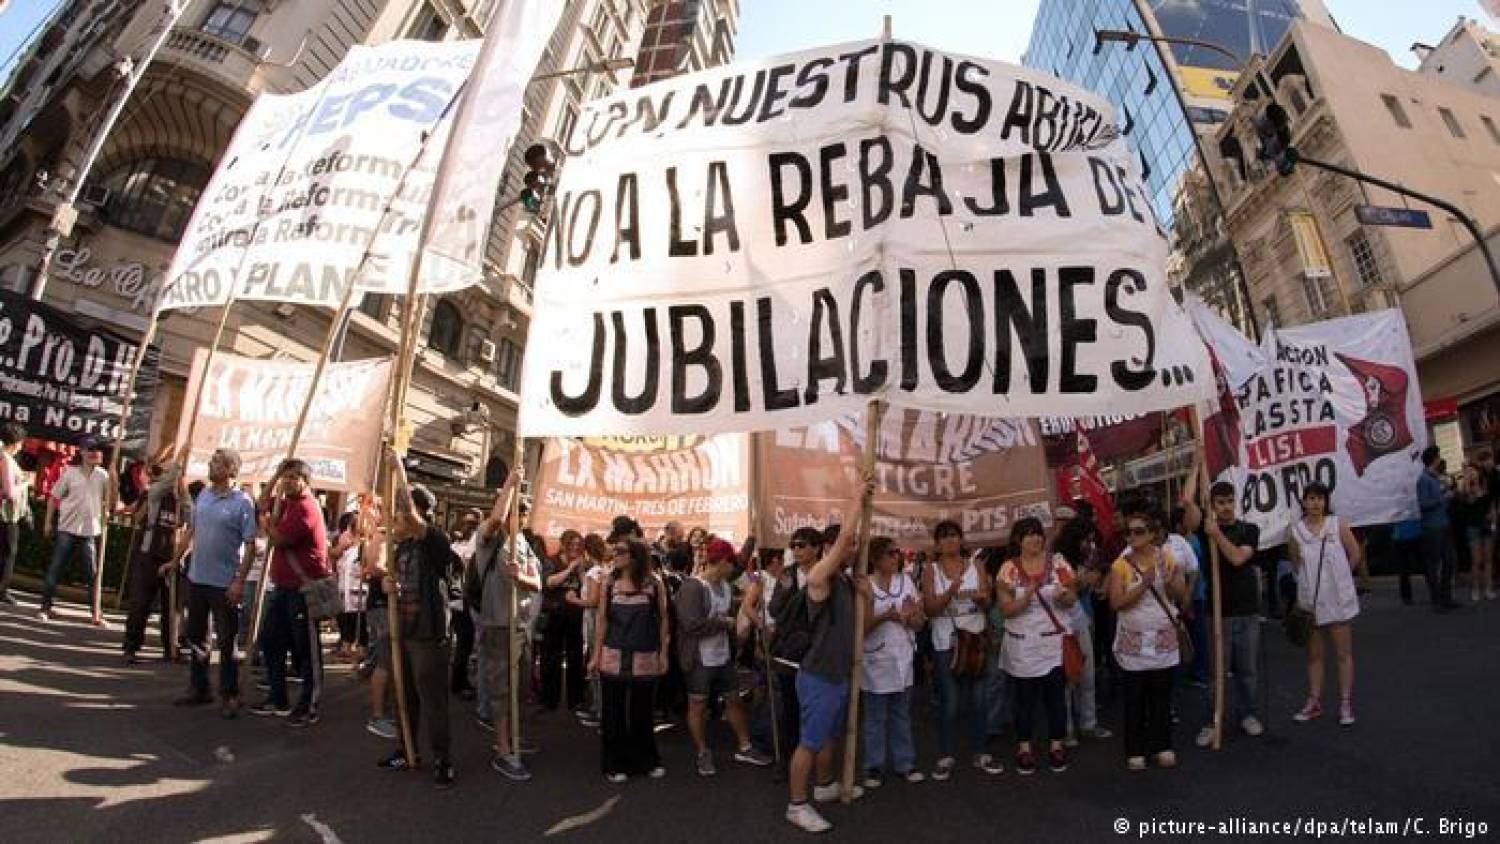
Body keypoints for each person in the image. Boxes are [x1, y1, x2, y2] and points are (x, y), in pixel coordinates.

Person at [783, 477, 869, 835]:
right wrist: (858, 498)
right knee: (810, 740)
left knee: (828, 736)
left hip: (838, 674)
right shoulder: (819, 576)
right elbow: (848, 538)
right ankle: (797, 805)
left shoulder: (849, 581)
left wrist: (868, 594)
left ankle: (824, 785)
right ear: (828, 549)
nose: (847, 551)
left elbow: (860, 626)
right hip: (818, 675)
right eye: (839, 547)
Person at [371, 447, 460, 788]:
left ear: (421, 513)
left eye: (402, 511)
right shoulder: (402, 547)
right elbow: (392, 583)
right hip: (402, 632)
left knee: (432, 698)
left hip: (428, 633)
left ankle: (443, 758)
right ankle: (406, 748)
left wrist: (398, 469)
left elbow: (408, 510)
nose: (396, 516)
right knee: (404, 695)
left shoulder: (435, 541)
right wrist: (386, 583)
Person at [171, 448, 258, 717]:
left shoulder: (243, 503)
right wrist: (175, 561)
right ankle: (199, 688)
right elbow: (192, 531)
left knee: (227, 642)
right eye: (212, 460)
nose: (211, 464)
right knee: (197, 638)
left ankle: (229, 694)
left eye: (217, 462)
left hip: (224, 584)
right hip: (197, 578)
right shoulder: (204, 496)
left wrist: (239, 582)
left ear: (231, 469)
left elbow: (251, 544)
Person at [677, 537, 773, 776]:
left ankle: (745, 746)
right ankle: (702, 752)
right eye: (730, 563)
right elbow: (690, 624)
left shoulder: (725, 585)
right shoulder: (693, 587)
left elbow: (741, 563)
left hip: (722, 655)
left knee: (733, 699)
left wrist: (751, 539)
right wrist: (724, 624)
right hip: (699, 658)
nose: (733, 568)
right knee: (698, 704)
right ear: (721, 562)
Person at [467, 469, 540, 780]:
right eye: (514, 509)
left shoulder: (524, 542)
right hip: (497, 625)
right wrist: (509, 484)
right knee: (500, 688)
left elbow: (537, 581)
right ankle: (503, 748)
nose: (518, 515)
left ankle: (513, 735)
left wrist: (520, 576)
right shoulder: (489, 540)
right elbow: (496, 519)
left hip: (521, 627)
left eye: (523, 510)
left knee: (520, 687)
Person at [1183, 475, 1265, 747]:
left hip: (1247, 610)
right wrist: (1196, 464)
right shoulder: (1204, 529)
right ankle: (1212, 720)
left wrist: (1217, 535)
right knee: (1216, 672)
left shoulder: (1248, 529)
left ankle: (1247, 714)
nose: (1227, 506)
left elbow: (1238, 558)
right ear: (1212, 505)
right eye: (1221, 502)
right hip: (1217, 612)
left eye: (1230, 501)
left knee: (1247, 669)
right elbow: (1186, 501)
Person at [1107, 510, 1188, 771]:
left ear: (1153, 534)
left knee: (1162, 697)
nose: (1132, 536)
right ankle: (1135, 749)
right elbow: (1116, 603)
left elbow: (1181, 596)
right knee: (1134, 698)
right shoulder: (1121, 565)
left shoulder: (1168, 559)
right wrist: (1143, 586)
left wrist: (1168, 580)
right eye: (1129, 532)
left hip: (1163, 638)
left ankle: (1162, 745)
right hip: (1133, 642)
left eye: (1139, 531)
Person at [251, 459, 330, 726]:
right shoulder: (288, 503)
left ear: (306, 481)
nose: (289, 481)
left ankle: (310, 703)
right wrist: (274, 475)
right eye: (287, 477)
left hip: (303, 590)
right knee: (271, 641)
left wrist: (264, 523)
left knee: (306, 650)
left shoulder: (306, 508)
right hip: (284, 588)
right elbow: (262, 503)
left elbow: (280, 539)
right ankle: (277, 696)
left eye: (294, 477)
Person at [995, 517, 1076, 775]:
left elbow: (1072, 596)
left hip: (1052, 643)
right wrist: (1027, 595)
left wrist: (1064, 598)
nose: (1035, 539)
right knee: (1024, 700)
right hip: (1022, 647)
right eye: (1028, 534)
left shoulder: (1058, 562)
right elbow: (1006, 609)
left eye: (1038, 534)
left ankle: (1056, 745)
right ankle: (1024, 748)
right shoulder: (1008, 569)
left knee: (1055, 698)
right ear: (1018, 539)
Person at [921, 520, 1000, 779]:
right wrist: (951, 592)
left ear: (962, 540)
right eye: (944, 537)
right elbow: (930, 609)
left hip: (975, 638)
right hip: (946, 642)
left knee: (979, 698)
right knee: (950, 701)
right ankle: (945, 755)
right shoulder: (930, 569)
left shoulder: (976, 565)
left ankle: (981, 752)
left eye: (954, 536)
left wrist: (982, 599)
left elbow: (988, 601)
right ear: (937, 544)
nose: (950, 541)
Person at [591, 537, 670, 783]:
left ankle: (645, 761)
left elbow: (664, 619)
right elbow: (601, 620)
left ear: (635, 555)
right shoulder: (608, 582)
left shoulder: (654, 583)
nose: (615, 555)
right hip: (613, 656)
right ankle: (614, 764)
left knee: (643, 712)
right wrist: (595, 655)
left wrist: (664, 653)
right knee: (612, 712)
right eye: (614, 551)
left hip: (645, 656)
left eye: (621, 551)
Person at [1287, 483, 1362, 726]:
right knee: (1314, 655)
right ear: (1304, 502)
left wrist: (1342, 578)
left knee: (1343, 653)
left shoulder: (1337, 524)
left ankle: (1345, 702)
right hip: (1311, 602)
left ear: (1325, 501)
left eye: (1320, 498)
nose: (1316, 503)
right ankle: (1314, 701)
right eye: (1310, 498)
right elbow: (1296, 563)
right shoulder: (1296, 532)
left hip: (1337, 600)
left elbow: (1355, 553)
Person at [860, 535, 924, 788]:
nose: (896, 557)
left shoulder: (906, 581)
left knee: (901, 714)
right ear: (876, 559)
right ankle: (873, 766)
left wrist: (910, 617)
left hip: (902, 658)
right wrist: (886, 615)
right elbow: (862, 627)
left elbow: (920, 621)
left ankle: (905, 763)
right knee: (875, 717)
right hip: (876, 659)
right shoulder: (866, 586)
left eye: (897, 553)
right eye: (890, 553)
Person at [1051, 516, 1112, 747]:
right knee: (1068, 677)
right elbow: (1068, 590)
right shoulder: (1057, 559)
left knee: (1087, 674)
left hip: (1080, 621)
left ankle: (1088, 723)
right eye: (1086, 540)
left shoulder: (1086, 559)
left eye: (1092, 540)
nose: (1090, 545)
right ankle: (1066, 729)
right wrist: (1084, 580)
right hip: (1062, 627)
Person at [123, 446, 185, 663]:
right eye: (166, 473)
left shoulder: (182, 501)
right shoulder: (155, 492)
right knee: (140, 604)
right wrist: (178, 459)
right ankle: (131, 646)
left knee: (172, 609)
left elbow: (191, 524)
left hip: (171, 559)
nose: (171, 477)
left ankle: (171, 648)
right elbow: (136, 517)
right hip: (148, 554)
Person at [39, 440, 110, 623]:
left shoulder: (104, 476)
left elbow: (111, 500)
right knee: (55, 568)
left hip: (89, 531)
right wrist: (48, 522)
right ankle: (45, 607)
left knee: (93, 574)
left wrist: (115, 482)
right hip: (67, 529)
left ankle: (96, 612)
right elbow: (54, 497)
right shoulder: (70, 473)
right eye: (91, 450)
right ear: (83, 453)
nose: (96, 453)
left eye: (98, 450)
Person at [540, 530, 587, 714]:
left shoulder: (583, 564)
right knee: (551, 657)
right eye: (572, 544)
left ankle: (575, 699)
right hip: (555, 615)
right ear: (564, 544)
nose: (575, 548)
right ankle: (549, 699)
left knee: (575, 658)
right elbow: (550, 582)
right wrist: (569, 569)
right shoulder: (552, 561)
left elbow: (587, 589)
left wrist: (581, 572)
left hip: (575, 616)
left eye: (578, 546)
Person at [570, 533, 610, 729]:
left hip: (594, 622)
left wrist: (573, 600)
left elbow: (593, 601)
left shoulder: (595, 572)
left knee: (595, 665)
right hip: (595, 621)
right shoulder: (601, 571)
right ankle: (597, 707)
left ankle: (600, 711)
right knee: (596, 665)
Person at [1417, 446, 1460, 611]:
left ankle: (1446, 597)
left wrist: (1448, 496)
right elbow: (1424, 504)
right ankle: (1437, 601)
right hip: (1432, 527)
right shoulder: (1423, 480)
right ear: (1433, 459)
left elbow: (1438, 500)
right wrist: (1443, 498)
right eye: (1438, 457)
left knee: (1449, 561)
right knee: (1434, 564)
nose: (1440, 459)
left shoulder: (1435, 478)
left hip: (1444, 523)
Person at [1458, 462, 1495, 602]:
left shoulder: (1485, 486)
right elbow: (1469, 500)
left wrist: (1493, 518)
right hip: (1473, 527)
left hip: (1487, 525)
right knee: (1476, 561)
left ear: (1479, 472)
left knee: (1488, 560)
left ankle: (1488, 589)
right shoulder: (1466, 490)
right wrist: (1468, 483)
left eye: (1474, 471)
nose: (1472, 473)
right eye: (1469, 471)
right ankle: (1475, 589)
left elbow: (1490, 504)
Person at [0, 422, 28, 605]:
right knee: (9, 553)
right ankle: (1, 590)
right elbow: (9, 493)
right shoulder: (7, 461)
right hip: (6, 515)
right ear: (16, 442)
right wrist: (26, 483)